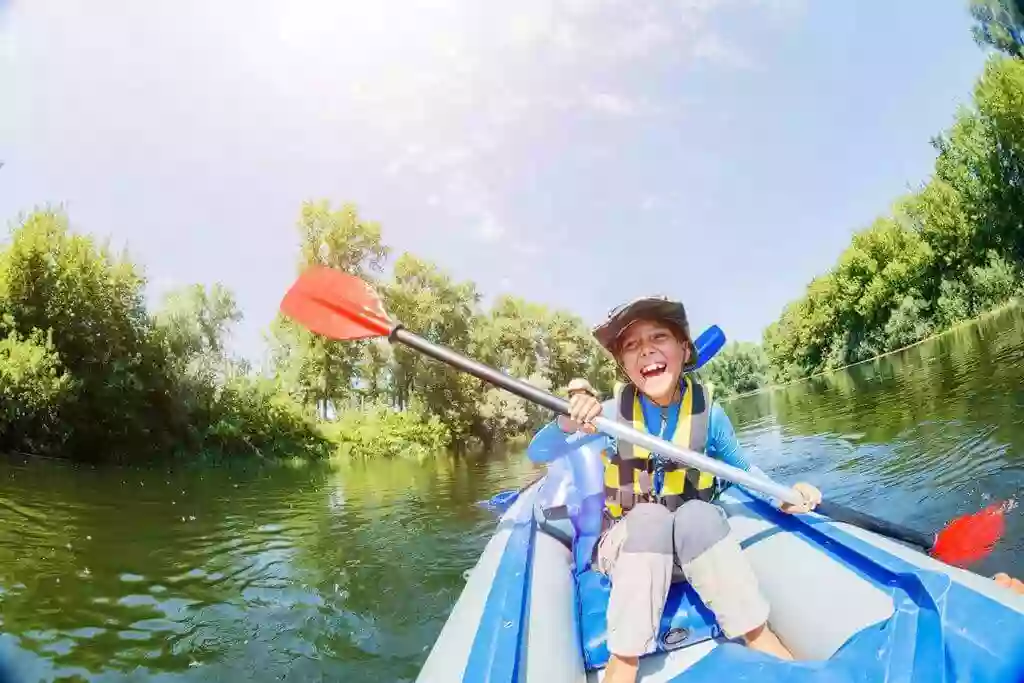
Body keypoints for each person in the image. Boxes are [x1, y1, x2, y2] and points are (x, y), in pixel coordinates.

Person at [527, 296, 823, 683]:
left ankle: (757, 635)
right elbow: (540, 451)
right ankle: (624, 662)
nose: (646, 349)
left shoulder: (709, 414)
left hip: (689, 550)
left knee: (700, 514)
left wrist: (785, 493)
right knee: (649, 516)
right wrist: (569, 421)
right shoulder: (612, 415)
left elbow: (742, 470)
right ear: (625, 367)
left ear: (685, 349)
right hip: (629, 548)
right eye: (632, 345)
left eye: (659, 337)